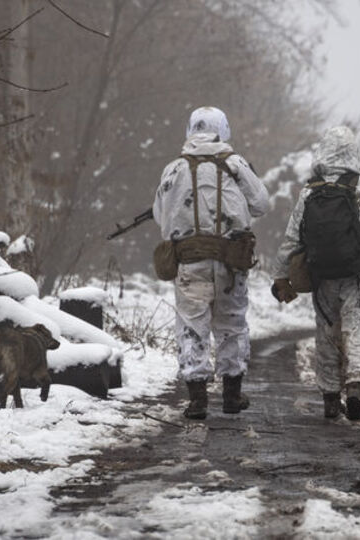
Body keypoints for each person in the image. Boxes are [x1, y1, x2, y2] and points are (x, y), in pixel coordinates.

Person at [270, 126, 360, 421]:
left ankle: (331, 398)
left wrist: (280, 275)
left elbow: (291, 240)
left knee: (327, 333)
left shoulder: (309, 192)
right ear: (354, 153)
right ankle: (355, 386)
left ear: (322, 152)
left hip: (321, 275)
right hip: (358, 274)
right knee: (357, 327)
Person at [152, 106, 270, 419]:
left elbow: (160, 216)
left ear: (190, 130)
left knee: (192, 327)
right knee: (232, 325)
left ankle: (197, 399)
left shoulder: (173, 169)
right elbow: (261, 204)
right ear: (223, 129)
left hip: (190, 262)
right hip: (231, 262)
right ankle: (232, 396)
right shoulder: (235, 164)